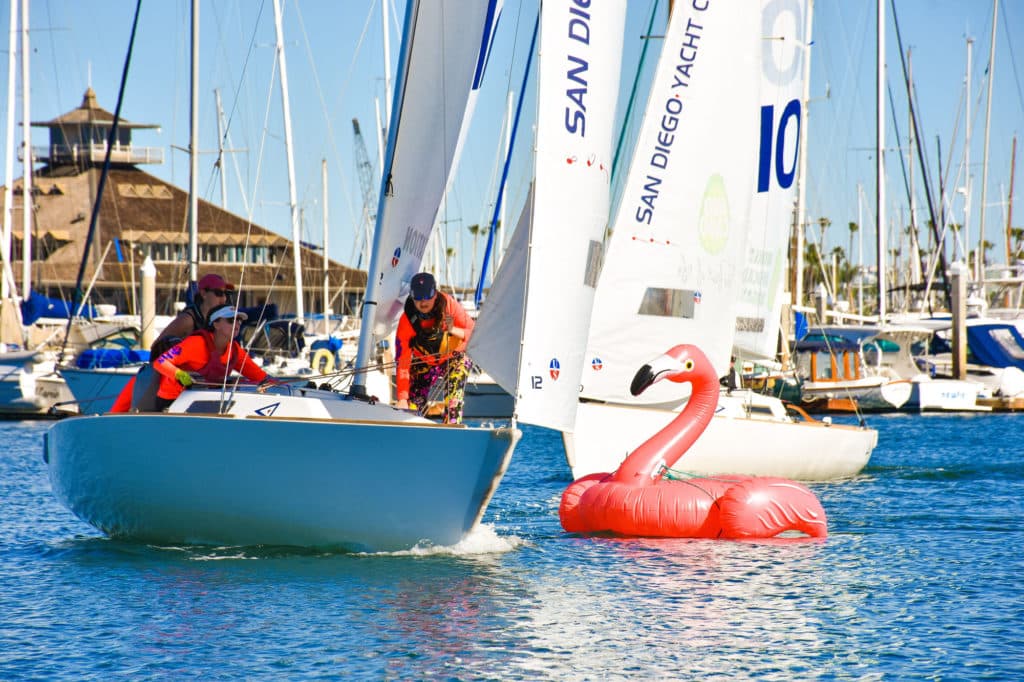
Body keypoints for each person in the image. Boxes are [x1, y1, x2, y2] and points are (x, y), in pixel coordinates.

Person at [110, 273, 234, 412]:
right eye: (218, 293)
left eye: (226, 294)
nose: (223, 299)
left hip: (191, 383)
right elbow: (158, 346)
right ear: (204, 293)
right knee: (115, 414)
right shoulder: (187, 320)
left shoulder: (218, 322)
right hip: (160, 379)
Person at [150, 304, 277, 411]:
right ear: (216, 324)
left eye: (239, 320)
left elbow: (260, 377)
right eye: (231, 320)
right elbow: (160, 362)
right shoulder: (195, 343)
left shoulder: (235, 350)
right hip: (172, 402)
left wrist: (277, 385)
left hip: (204, 401)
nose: (237, 324)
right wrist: (179, 374)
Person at [394, 272, 474, 424]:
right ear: (411, 296)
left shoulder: (450, 306)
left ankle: (451, 425)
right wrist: (402, 398)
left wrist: (453, 331)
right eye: (418, 298)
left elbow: (476, 333)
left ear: (435, 294)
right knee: (411, 406)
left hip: (454, 358)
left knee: (453, 397)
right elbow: (402, 363)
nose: (423, 302)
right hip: (425, 362)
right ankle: (414, 428)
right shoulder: (407, 322)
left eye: (427, 296)